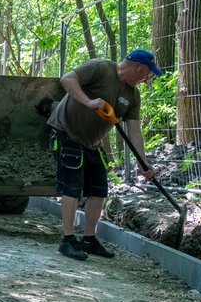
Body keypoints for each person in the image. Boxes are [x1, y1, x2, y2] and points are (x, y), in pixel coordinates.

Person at [48, 49, 162, 261]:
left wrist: (142, 162)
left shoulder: (133, 95)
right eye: (147, 74)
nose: (147, 79)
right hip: (67, 133)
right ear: (138, 67)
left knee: (99, 188)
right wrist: (88, 102)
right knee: (72, 186)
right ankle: (68, 240)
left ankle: (89, 239)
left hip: (92, 143)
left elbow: (134, 131)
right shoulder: (100, 68)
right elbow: (67, 79)